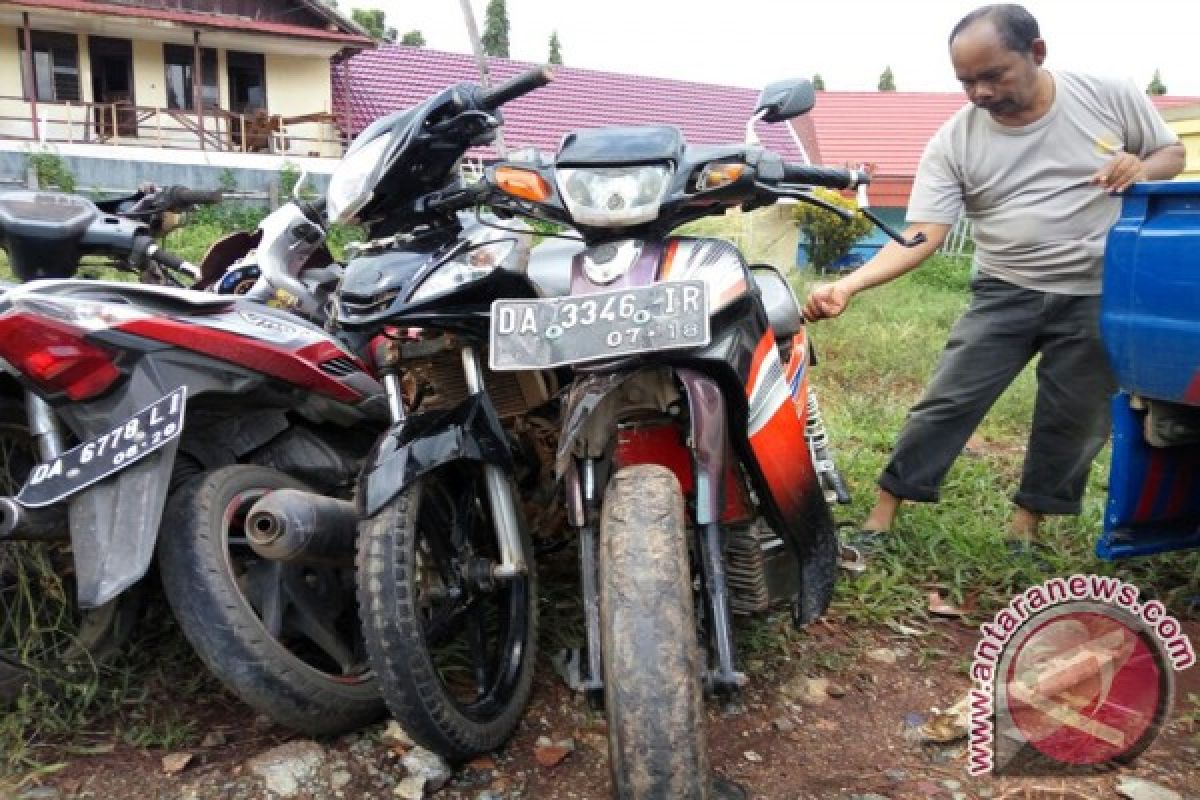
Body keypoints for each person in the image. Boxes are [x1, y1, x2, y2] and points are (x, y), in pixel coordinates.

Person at [802, 3, 1185, 566]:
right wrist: (852, 284)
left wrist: (1139, 168)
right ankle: (883, 513)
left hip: (1097, 291)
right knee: (948, 399)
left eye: (992, 75)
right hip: (1006, 289)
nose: (978, 92)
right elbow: (924, 233)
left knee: (1073, 417)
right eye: (965, 81)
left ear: (1036, 53)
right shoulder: (955, 141)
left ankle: (1025, 527)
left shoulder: (1107, 94)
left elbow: (1170, 153)